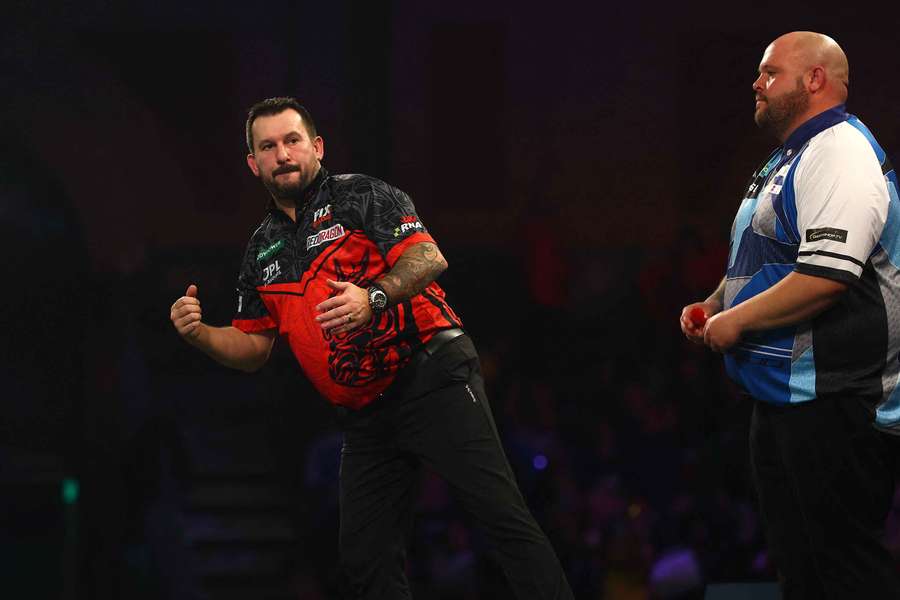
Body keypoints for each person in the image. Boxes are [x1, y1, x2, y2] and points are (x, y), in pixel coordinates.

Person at [169, 97, 573, 599]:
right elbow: (253, 346)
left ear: (316, 146)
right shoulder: (260, 249)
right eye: (268, 146)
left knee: (500, 516)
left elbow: (428, 257)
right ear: (253, 163)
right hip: (365, 416)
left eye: (292, 140)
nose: (283, 154)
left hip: (431, 373)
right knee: (365, 560)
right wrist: (201, 334)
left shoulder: (361, 195)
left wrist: (373, 295)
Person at [680, 32, 900, 598]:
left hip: (838, 396)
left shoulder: (841, 152)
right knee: (800, 569)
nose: (756, 83)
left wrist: (740, 322)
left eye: (769, 72)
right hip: (786, 394)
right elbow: (764, 259)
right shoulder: (790, 157)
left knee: (845, 569)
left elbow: (828, 275)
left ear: (815, 80)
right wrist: (715, 303)